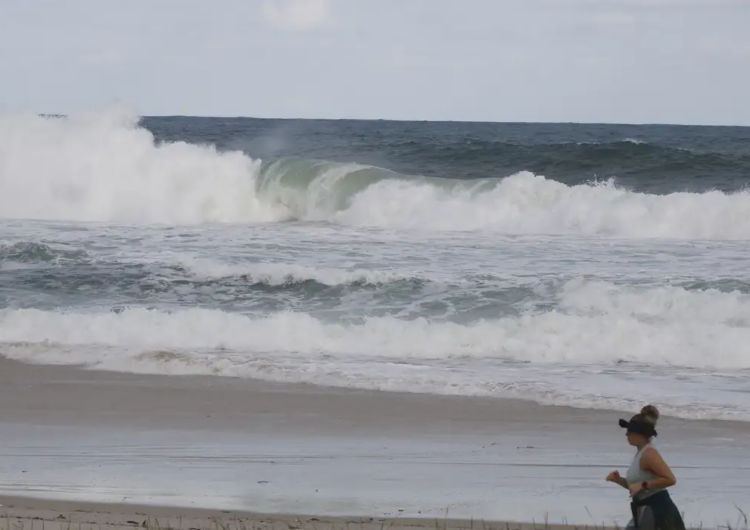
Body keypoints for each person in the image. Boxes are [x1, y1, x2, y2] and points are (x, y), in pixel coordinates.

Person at [605, 405, 685, 530]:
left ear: (639, 433)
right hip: (644, 510)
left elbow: (670, 479)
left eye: (629, 431)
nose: (626, 435)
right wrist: (619, 480)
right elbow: (636, 487)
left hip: (659, 512)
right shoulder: (640, 453)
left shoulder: (649, 454)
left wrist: (642, 485)